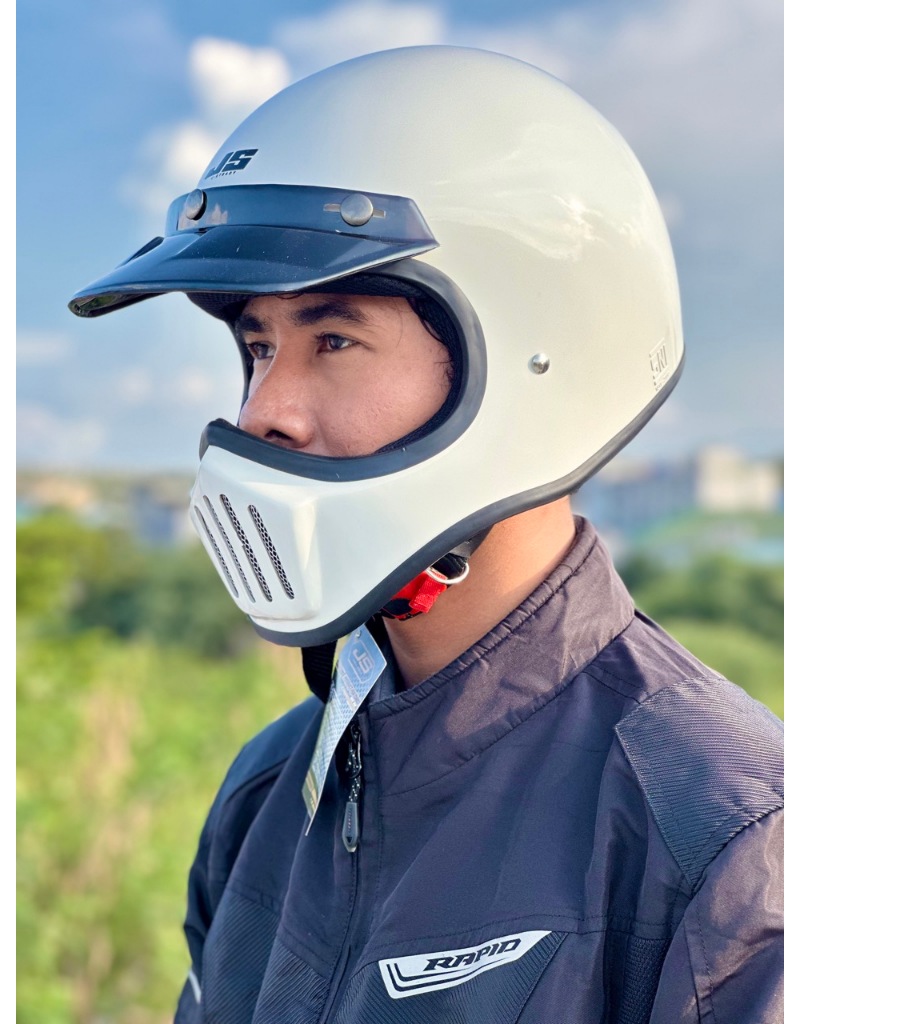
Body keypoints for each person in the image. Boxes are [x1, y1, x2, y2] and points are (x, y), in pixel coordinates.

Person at [70, 46, 783, 1024]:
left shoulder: (729, 842)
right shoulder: (270, 792)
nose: (264, 410)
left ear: (536, 359)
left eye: (334, 339)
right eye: (258, 346)